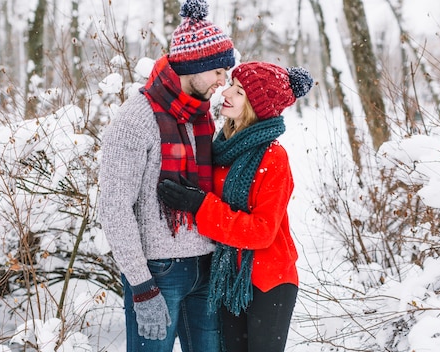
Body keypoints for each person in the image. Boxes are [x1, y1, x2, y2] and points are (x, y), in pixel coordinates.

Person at [97, 0, 235, 350]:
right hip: (159, 272)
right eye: (218, 71)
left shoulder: (201, 116)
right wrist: (142, 287)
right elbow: (114, 208)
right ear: (193, 65)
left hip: (206, 265)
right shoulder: (136, 119)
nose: (223, 81)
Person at [158, 62, 313, 352]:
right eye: (231, 84)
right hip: (228, 277)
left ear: (257, 106)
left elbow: (262, 231)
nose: (226, 92)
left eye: (239, 91)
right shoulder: (221, 147)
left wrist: (201, 205)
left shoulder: (273, 158)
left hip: (269, 282)